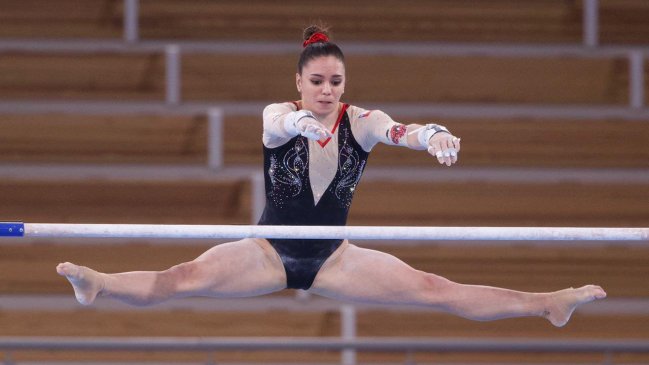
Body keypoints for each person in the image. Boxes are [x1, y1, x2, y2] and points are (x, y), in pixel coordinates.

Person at [57, 25, 605, 327]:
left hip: (335, 258)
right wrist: (302, 122)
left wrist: (433, 135)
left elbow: (403, 131)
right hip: (267, 250)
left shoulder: (362, 122)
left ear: (344, 85)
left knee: (438, 290)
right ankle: (99, 283)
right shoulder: (279, 115)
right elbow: (278, 124)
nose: (326, 90)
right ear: (299, 83)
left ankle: (547, 303)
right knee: (180, 278)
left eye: (335, 82)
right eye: (316, 81)